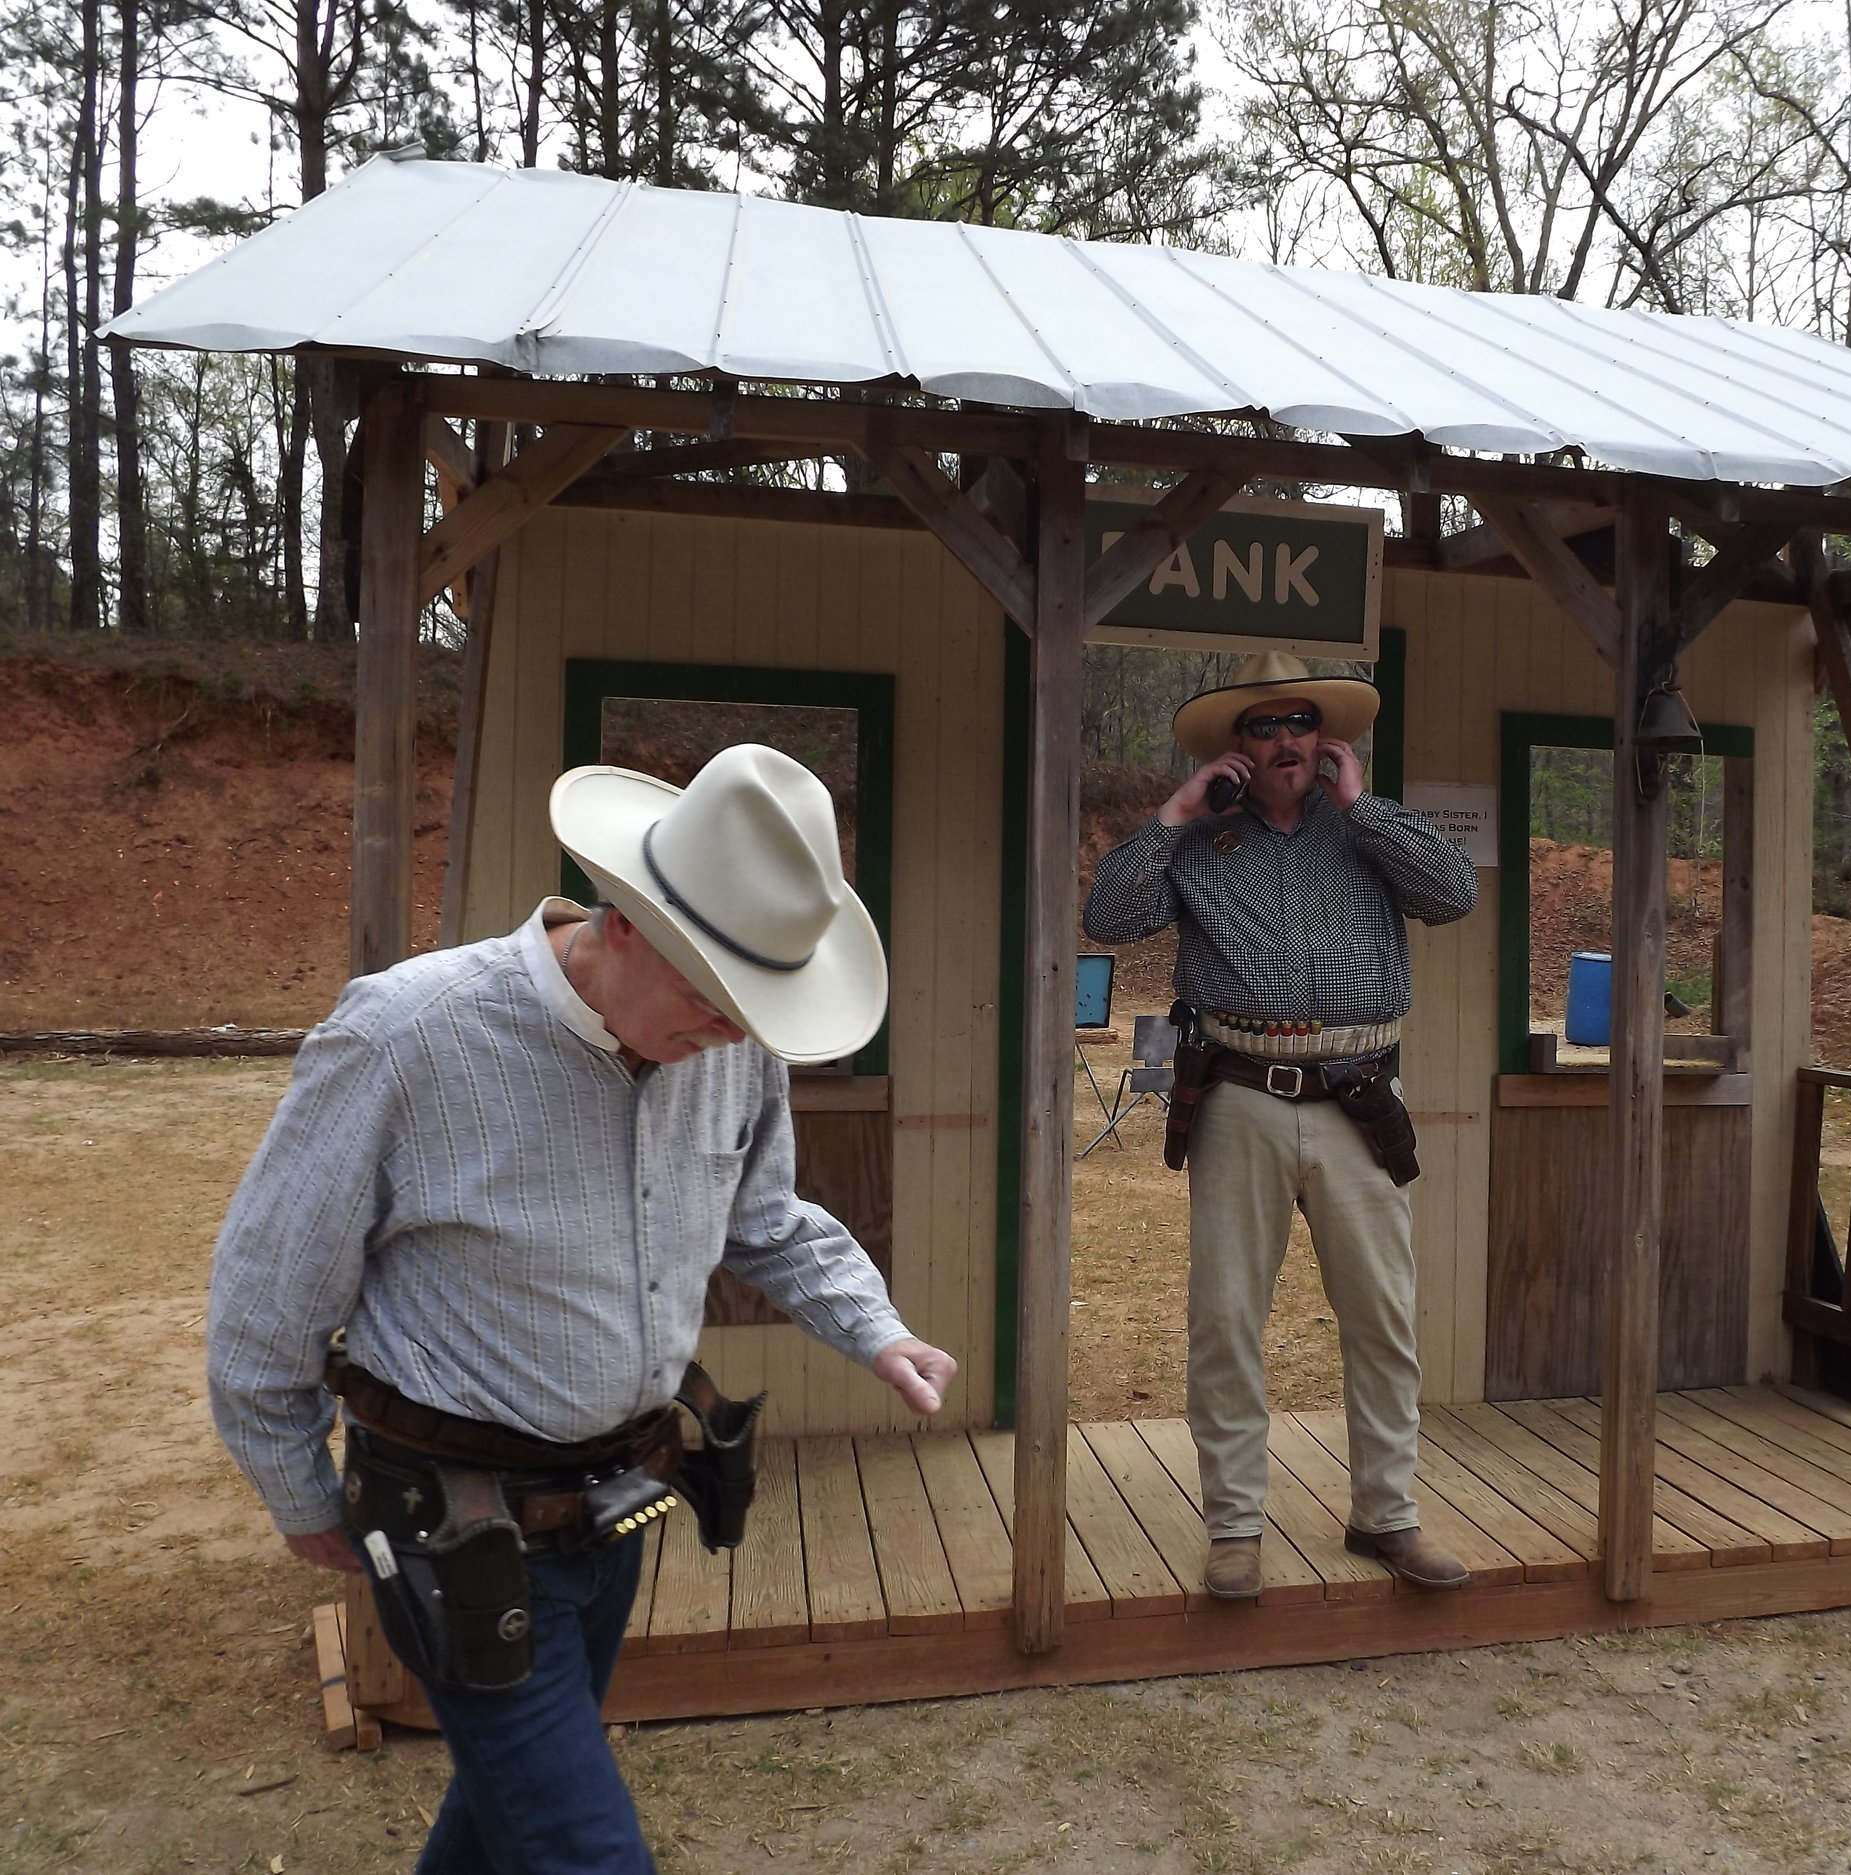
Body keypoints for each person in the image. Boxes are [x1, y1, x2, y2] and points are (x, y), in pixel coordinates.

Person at [207, 743, 957, 1873]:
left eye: (758, 1013)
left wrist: (875, 1326)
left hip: (612, 1511)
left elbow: (767, 1216)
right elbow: (268, 1296)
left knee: (504, 1809)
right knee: (583, 1852)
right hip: (447, 1524)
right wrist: (298, 1489)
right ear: (621, 924)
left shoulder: (725, 1044)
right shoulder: (408, 1038)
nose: (733, 1037)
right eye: (714, 1001)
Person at [1084, 652, 1480, 1599]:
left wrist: (1363, 805)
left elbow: (1455, 892)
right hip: (1238, 1093)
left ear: (1325, 736)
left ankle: (1387, 1515)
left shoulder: (1369, 832)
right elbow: (1110, 913)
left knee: (1382, 1314)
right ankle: (1234, 1526)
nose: (1286, 740)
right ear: (1237, 747)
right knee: (1226, 1318)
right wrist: (1175, 813)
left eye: (1300, 722)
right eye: (1264, 727)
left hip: (1359, 1097)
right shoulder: (1197, 841)